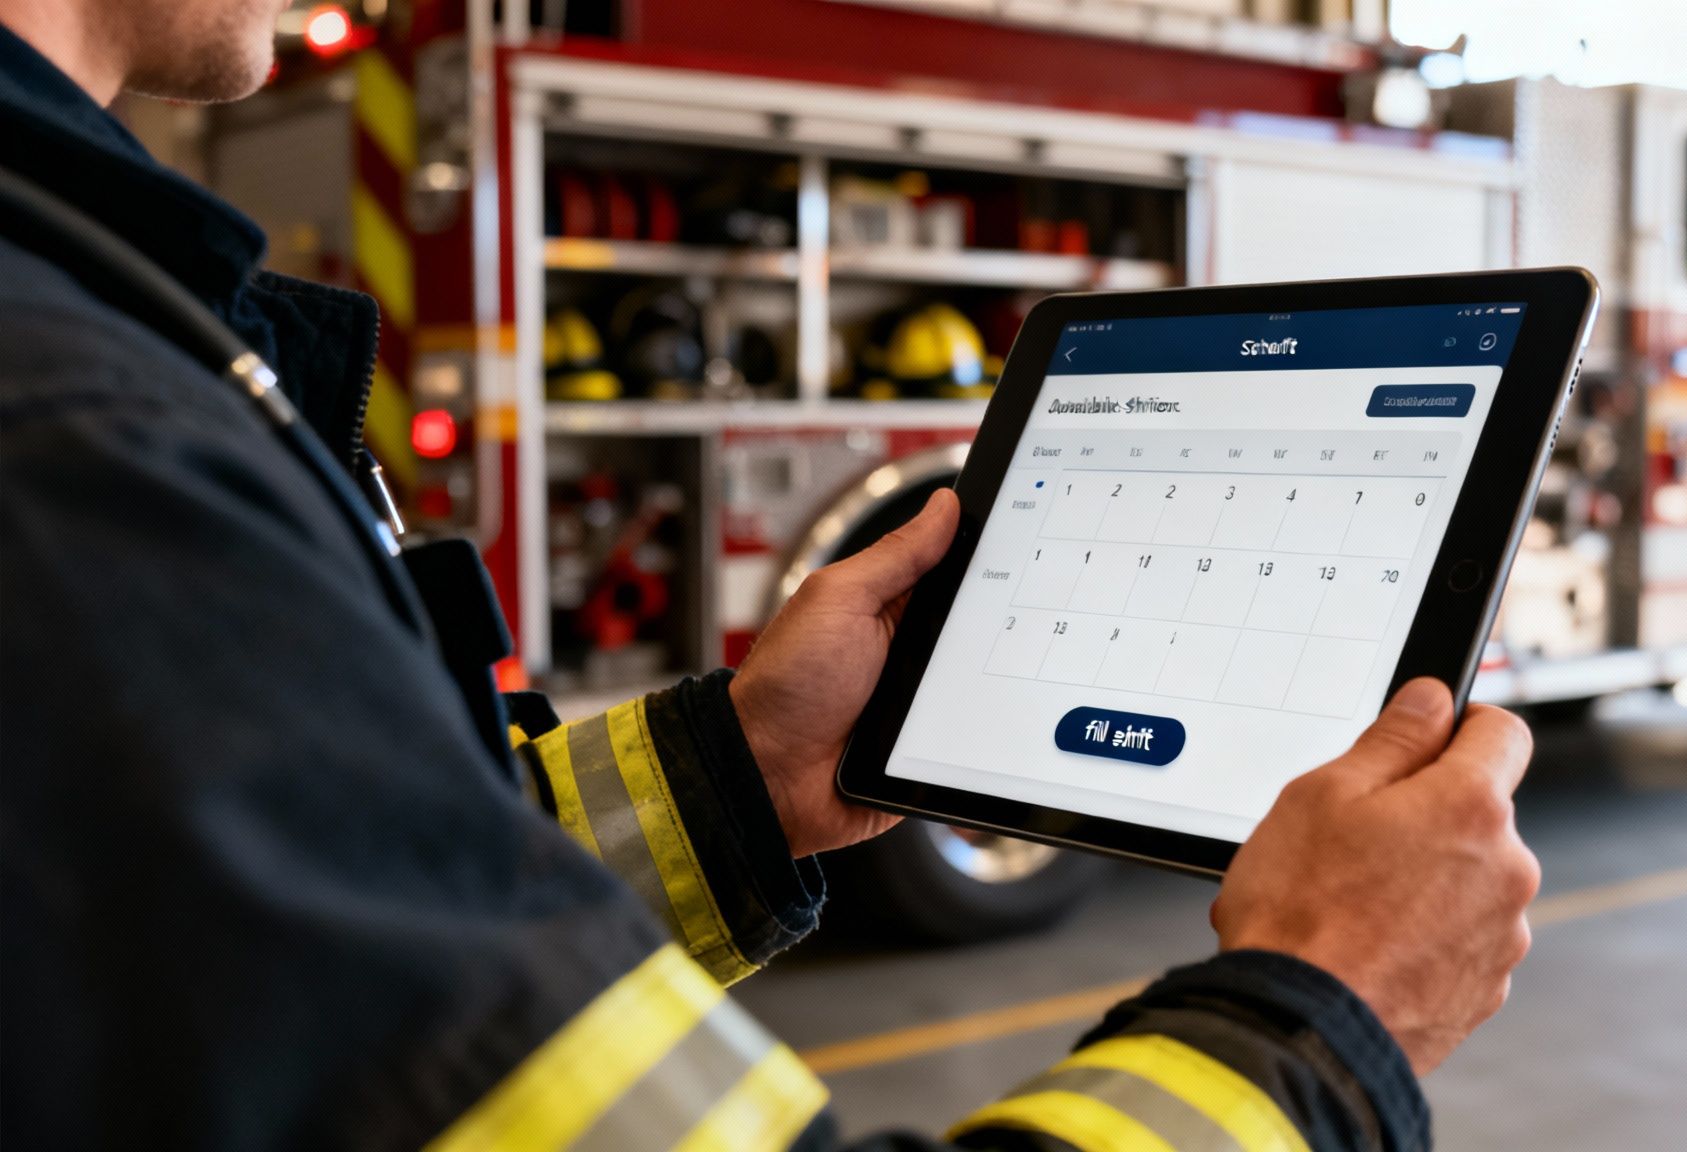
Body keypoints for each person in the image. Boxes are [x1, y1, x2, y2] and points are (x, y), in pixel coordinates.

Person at [0, 2, 1542, 1148]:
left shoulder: (75, 348)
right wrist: (1336, 1016)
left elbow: (311, 927)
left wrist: (733, 777)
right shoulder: (76, 446)